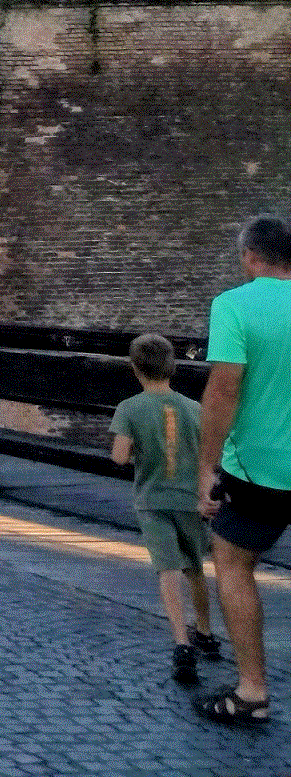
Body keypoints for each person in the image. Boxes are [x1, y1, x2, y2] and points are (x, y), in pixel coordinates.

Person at [195, 215, 291, 726]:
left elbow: (223, 389)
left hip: (260, 469)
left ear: (250, 257)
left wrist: (206, 466)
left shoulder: (233, 305)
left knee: (233, 562)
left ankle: (252, 692)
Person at [109, 333, 219, 684]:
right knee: (195, 567)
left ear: (135, 368)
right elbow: (207, 458)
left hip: (152, 500)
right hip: (189, 499)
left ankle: (182, 642)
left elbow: (120, 456)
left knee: (167, 569)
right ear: (172, 367)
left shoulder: (129, 408)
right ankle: (206, 633)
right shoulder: (194, 408)